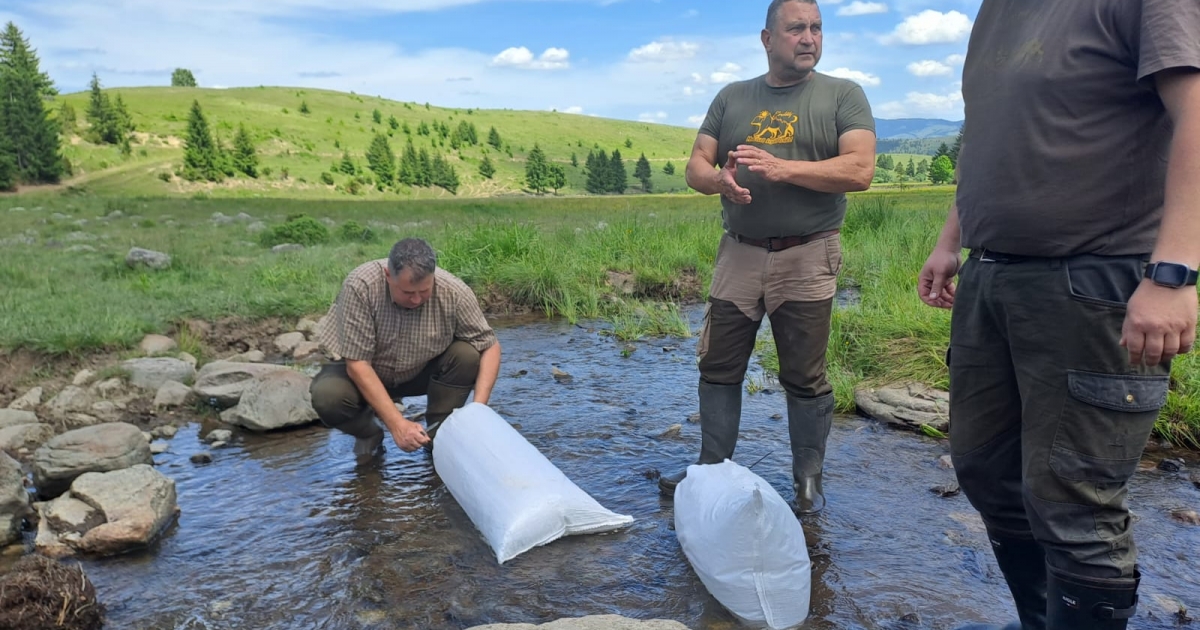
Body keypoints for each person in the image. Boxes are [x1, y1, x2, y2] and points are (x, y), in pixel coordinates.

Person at [917, 1, 1200, 628]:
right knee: (987, 471)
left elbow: (1197, 115)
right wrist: (950, 239)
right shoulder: (997, 11)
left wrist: (1174, 269)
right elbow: (989, 134)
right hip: (993, 272)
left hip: (1095, 277)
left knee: (1075, 503)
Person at [658, 0, 876, 515]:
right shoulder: (733, 98)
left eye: (817, 28)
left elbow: (860, 170)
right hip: (739, 253)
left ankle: (808, 483)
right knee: (718, 364)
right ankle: (712, 468)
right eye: (796, 28)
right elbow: (695, 166)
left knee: (804, 374)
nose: (809, 38)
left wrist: (783, 170)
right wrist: (718, 181)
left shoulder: (842, 95)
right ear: (767, 38)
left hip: (808, 253)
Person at [310, 237, 501, 457]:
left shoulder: (455, 292)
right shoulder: (360, 286)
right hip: (362, 373)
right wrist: (397, 424)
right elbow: (358, 364)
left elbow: (490, 346)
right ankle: (368, 433)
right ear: (388, 276)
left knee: (467, 355)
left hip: (419, 371)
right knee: (327, 396)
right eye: (408, 293)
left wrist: (478, 409)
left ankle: (438, 434)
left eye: (425, 291)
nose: (417, 299)